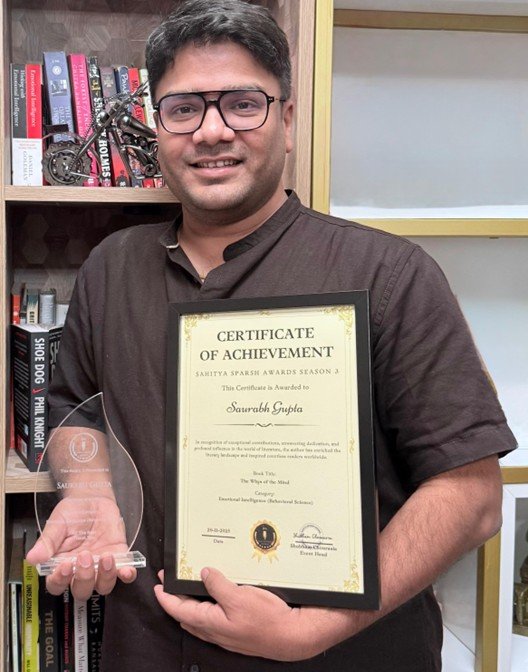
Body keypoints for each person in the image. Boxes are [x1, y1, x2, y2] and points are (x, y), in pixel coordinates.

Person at [27, 1, 517, 670]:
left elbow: (471, 495)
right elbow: (74, 412)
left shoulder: (389, 274)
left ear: (287, 120)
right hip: (145, 649)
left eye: (242, 105)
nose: (211, 131)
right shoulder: (111, 266)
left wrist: (313, 629)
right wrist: (88, 489)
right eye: (184, 108)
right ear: (157, 125)